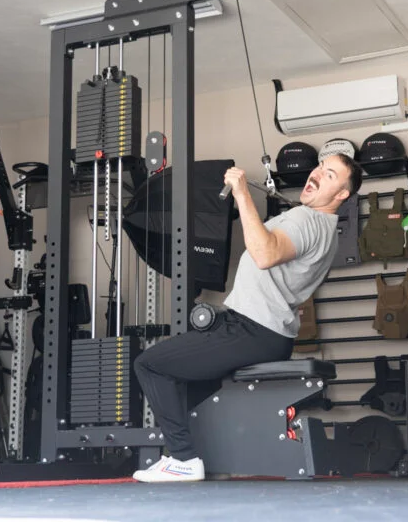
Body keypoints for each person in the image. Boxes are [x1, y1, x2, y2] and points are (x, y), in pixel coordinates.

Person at [132, 153, 362, 483]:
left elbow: (265, 254)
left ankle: (183, 459)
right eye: (319, 167)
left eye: (329, 176)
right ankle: (201, 458)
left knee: (150, 364)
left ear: (341, 195)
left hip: (251, 330)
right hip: (264, 333)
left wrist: (241, 193)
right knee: (191, 391)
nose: (315, 175)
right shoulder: (326, 229)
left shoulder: (305, 220)